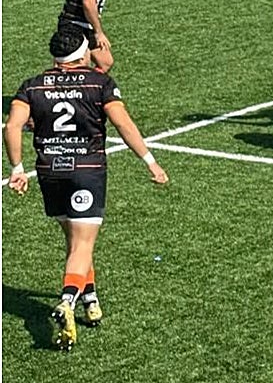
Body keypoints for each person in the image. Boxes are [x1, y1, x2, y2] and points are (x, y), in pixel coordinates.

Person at [4, 27, 169, 351]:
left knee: (75, 241)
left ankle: (90, 300)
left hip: (50, 172)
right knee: (82, 244)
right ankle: (68, 300)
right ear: (82, 54)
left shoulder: (32, 85)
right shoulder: (99, 83)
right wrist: (150, 161)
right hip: (86, 172)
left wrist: (17, 168)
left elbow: (12, 126)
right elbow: (123, 124)